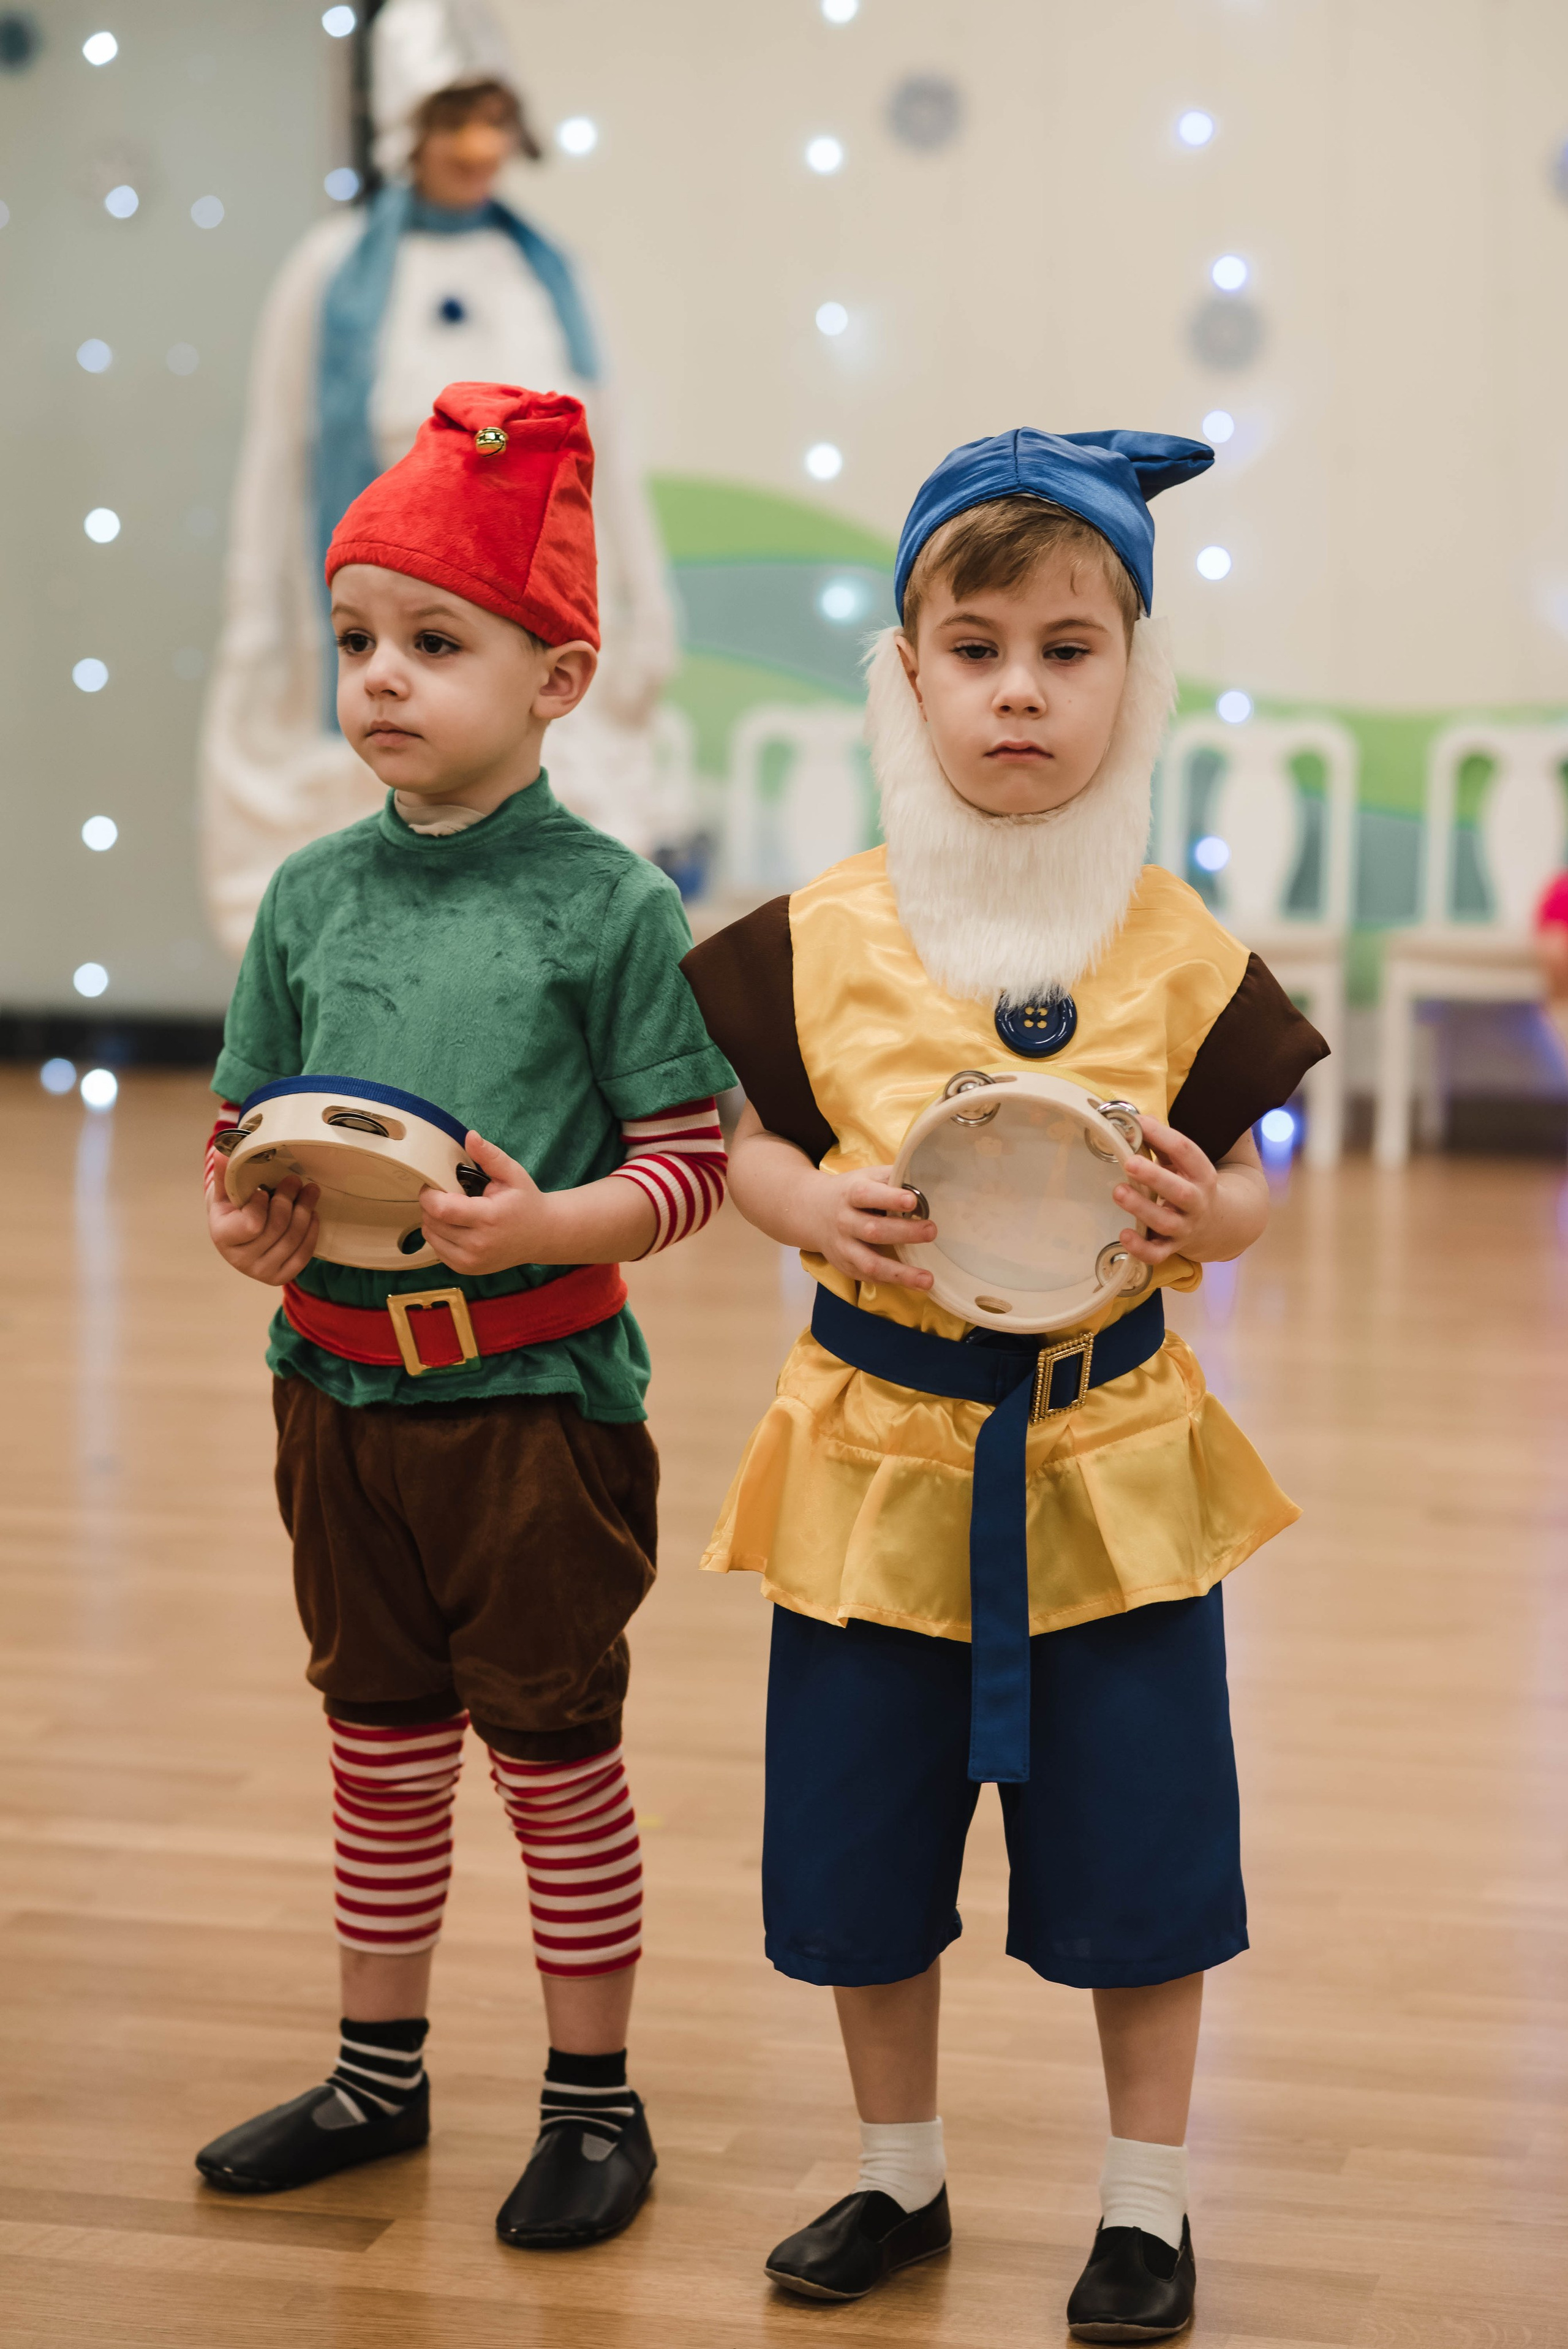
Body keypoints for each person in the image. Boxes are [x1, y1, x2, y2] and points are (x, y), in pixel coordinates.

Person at [681, 428, 1328, 2337]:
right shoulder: (820, 939)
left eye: (1069, 647)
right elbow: (742, 1156)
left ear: (1137, 678)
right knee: (859, 1847)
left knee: (1147, 1850)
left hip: (1110, 1463)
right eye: (975, 648)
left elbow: (1252, 1191)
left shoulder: (1171, 942)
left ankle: (1148, 2203)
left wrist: (1215, 1210)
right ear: (905, 674)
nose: (1022, 690)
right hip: (873, 1456)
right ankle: (899, 2170)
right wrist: (815, 1202)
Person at [193, 382, 736, 2251]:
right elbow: (248, 1121)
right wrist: (250, 1220)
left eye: (435, 640)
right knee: (380, 1742)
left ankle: (598, 2097)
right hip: (333, 1400)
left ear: (558, 678)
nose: (382, 679)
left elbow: (689, 1160)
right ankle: (379, 2070)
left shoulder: (611, 909)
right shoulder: (308, 893)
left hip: (534, 1409)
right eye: (356, 640)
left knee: (554, 1753)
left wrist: (545, 1227)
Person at [200, 0, 678, 957]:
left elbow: (605, 460)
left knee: (555, 922)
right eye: (452, 118)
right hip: (404, 642)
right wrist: (274, 642)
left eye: (493, 119)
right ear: (405, 125)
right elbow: (278, 473)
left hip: (532, 631)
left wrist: (646, 610)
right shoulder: (327, 276)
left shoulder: (549, 275)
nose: (475, 144)